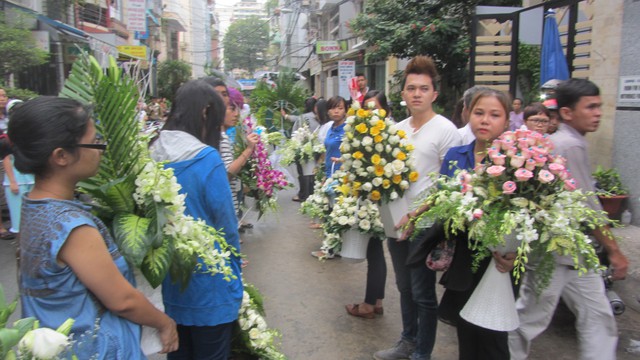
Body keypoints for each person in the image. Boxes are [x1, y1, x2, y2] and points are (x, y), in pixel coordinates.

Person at [12, 96, 178, 358]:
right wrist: (164, 323)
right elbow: (122, 301)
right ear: (61, 156)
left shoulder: (33, 205)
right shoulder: (72, 227)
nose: (101, 147)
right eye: (94, 141)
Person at [509, 78, 629, 360]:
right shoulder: (568, 145)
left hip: (574, 252)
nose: (597, 113)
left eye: (599, 106)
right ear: (567, 113)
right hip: (556, 253)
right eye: (590, 107)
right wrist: (614, 250)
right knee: (529, 319)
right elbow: (588, 206)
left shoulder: (567, 142)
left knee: (598, 316)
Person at [374, 55, 461, 360]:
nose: (417, 94)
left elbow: (452, 185)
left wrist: (421, 214)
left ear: (434, 94)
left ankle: (422, 353)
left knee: (424, 294)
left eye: (423, 88)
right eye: (411, 88)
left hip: (426, 225)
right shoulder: (396, 129)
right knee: (404, 287)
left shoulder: (446, 130)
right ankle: (406, 342)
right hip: (395, 220)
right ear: (403, 94)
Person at [150, 80, 243, 360]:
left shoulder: (151, 153)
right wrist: (236, 272)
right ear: (205, 113)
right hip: (210, 286)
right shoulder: (207, 159)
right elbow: (226, 226)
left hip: (171, 281)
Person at [437, 89, 516, 360]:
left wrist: (514, 252)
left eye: (495, 115)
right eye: (479, 113)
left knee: (494, 338)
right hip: (465, 258)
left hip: (500, 263)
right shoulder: (455, 156)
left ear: (506, 121)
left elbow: (531, 216)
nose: (485, 120)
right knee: (466, 331)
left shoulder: (519, 162)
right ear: (467, 114)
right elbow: (442, 201)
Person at [344, 91, 390, 319]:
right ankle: (376, 301)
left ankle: (370, 304)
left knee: (375, 251)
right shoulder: (362, 136)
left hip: (380, 201)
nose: (371, 113)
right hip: (369, 198)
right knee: (376, 251)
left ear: (386, 111)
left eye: (376, 109)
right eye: (367, 109)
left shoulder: (388, 138)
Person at [311, 96, 348, 259]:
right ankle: (334, 247)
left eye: (340, 108)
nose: (336, 111)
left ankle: (331, 250)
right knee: (329, 212)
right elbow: (326, 152)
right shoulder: (330, 128)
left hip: (343, 178)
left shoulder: (348, 129)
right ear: (327, 110)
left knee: (335, 213)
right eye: (333, 108)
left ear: (345, 110)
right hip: (329, 175)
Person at [220, 87, 259, 234]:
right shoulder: (220, 137)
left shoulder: (225, 133)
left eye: (238, 109)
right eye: (232, 109)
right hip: (226, 203)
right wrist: (248, 150)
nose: (237, 114)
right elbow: (228, 172)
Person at [3, 99, 34, 237]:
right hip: (16, 179)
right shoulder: (8, 135)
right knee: (18, 217)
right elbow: (6, 158)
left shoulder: (34, 132)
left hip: (32, 178)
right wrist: (12, 181)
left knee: (34, 215)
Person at [281, 97, 320, 202]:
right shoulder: (319, 117)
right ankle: (313, 194)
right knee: (314, 172)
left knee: (302, 173)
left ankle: (303, 194)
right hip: (316, 150)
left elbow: (294, 133)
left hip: (302, 150)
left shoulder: (302, 117)